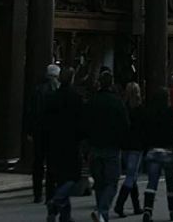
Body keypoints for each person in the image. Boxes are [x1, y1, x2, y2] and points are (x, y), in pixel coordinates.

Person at [82, 67, 129, 222]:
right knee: (112, 181)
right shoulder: (117, 103)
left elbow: (85, 124)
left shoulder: (92, 101)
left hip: (94, 146)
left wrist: (86, 144)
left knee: (99, 182)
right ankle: (102, 210)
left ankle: (101, 211)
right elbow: (125, 125)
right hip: (112, 147)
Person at [43, 66, 84, 222]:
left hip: (54, 142)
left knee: (61, 177)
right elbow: (81, 122)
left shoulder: (52, 97)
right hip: (71, 143)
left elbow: (45, 120)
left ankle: (65, 215)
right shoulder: (76, 98)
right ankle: (56, 200)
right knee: (73, 177)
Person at [141, 87, 173, 222]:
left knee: (151, 183)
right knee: (171, 185)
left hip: (153, 151)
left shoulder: (149, 113)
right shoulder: (170, 112)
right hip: (168, 151)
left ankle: (147, 211)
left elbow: (146, 133)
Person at [27, 63, 60, 203]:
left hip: (38, 131)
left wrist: (29, 130)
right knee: (51, 163)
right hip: (52, 132)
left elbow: (31, 111)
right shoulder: (56, 90)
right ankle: (50, 194)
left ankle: (37, 193)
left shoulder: (37, 89)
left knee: (38, 162)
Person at [114, 80, 146, 217]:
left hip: (125, 145)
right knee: (131, 176)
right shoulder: (139, 109)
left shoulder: (123, 108)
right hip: (136, 146)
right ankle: (119, 205)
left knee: (132, 176)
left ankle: (136, 205)